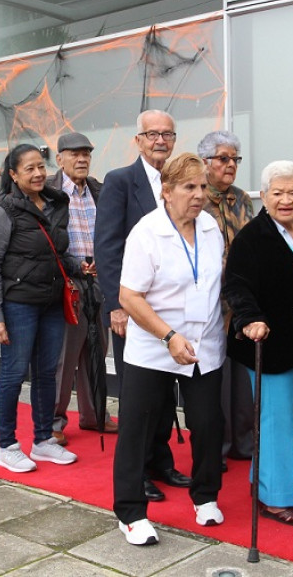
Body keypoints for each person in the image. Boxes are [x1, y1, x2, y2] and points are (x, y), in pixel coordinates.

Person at [113, 151, 226, 545]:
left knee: (209, 425)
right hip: (154, 345)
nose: (199, 195)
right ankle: (130, 513)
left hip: (203, 345)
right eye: (189, 187)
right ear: (167, 191)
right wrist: (168, 336)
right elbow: (129, 296)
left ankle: (206, 496)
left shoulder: (211, 227)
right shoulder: (146, 232)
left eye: (202, 187)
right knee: (138, 428)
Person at [224, 160, 293, 527]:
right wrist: (250, 318)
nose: (286, 200)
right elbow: (236, 285)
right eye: (278, 193)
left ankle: (264, 477)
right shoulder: (251, 239)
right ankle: (275, 498)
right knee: (277, 418)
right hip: (264, 341)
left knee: (286, 414)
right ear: (264, 197)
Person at [95, 109, 191, 503]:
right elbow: (107, 247)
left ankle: (160, 460)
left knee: (166, 392)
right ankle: (136, 475)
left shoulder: (178, 182)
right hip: (132, 310)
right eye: (152, 134)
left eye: (167, 134)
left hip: (169, 310)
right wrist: (117, 306)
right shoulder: (120, 181)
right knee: (137, 396)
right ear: (138, 140)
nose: (160, 141)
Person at [0, 143, 82, 473]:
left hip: (51, 302)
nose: (39, 173)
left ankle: (43, 440)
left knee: (45, 372)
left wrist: (81, 267)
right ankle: (6, 445)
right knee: (13, 373)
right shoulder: (5, 211)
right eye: (29, 168)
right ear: (13, 175)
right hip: (18, 305)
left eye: (41, 166)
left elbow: (55, 252)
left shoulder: (55, 204)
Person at [47, 131, 117, 445]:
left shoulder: (100, 190)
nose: (82, 159)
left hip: (99, 280)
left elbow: (114, 233)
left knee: (96, 351)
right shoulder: (47, 191)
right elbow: (45, 239)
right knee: (65, 355)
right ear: (59, 157)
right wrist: (73, 266)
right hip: (67, 282)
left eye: (86, 153)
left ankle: (95, 414)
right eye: (74, 153)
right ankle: (53, 420)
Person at [197, 130, 255, 467]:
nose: (230, 164)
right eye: (223, 158)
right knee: (214, 378)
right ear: (205, 162)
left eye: (235, 159)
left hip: (240, 300)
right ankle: (215, 447)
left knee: (242, 377)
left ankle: (243, 442)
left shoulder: (242, 198)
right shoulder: (196, 198)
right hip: (208, 302)